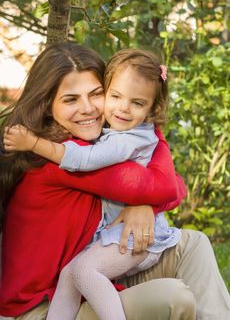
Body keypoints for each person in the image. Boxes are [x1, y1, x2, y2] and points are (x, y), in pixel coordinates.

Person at [1, 43, 230, 320]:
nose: (88, 109)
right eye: (71, 100)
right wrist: (146, 200)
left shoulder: (98, 142)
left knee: (193, 244)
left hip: (90, 282)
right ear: (47, 105)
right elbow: (167, 187)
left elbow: (169, 184)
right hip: (42, 307)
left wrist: (146, 205)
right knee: (173, 297)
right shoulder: (59, 158)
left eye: (96, 94)